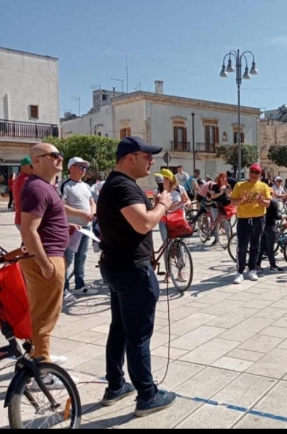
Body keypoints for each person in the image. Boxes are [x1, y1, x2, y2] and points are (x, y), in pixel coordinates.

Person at [96, 136, 177, 416]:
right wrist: (163, 204)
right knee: (138, 334)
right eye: (147, 156)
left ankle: (116, 385)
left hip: (116, 265)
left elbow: (137, 219)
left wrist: (166, 205)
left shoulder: (115, 185)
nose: (152, 161)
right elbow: (143, 223)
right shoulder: (123, 186)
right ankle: (147, 395)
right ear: (130, 158)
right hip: (132, 270)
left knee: (119, 328)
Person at [20, 143, 72, 367]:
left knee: (43, 313)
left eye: (59, 155)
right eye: (54, 155)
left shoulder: (44, 186)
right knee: (44, 317)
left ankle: (41, 354)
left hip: (50, 254)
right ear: (37, 161)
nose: (60, 159)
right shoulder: (38, 188)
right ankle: (42, 369)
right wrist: (45, 265)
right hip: (46, 258)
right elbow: (28, 229)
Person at [62, 157, 98, 299]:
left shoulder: (86, 186)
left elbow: (91, 202)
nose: (83, 170)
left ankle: (80, 285)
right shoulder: (65, 185)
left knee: (81, 257)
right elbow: (62, 206)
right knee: (68, 258)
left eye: (84, 167)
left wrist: (92, 212)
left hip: (86, 227)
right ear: (71, 168)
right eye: (80, 167)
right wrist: (81, 213)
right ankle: (64, 288)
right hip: (71, 228)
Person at [230, 163, 271, 284]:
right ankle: (240, 272)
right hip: (243, 219)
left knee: (255, 244)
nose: (254, 174)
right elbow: (233, 203)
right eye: (252, 171)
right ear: (249, 172)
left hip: (259, 218)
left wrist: (262, 201)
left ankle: (252, 269)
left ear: (260, 174)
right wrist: (242, 199)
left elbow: (267, 204)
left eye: (256, 172)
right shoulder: (239, 185)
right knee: (242, 246)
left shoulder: (263, 186)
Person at [154, 169, 190, 265]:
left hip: (178, 219)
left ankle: (180, 270)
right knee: (167, 245)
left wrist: (187, 203)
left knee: (180, 244)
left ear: (168, 179)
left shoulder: (180, 188)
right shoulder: (158, 191)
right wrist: (180, 203)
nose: (158, 180)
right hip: (164, 220)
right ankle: (168, 273)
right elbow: (163, 208)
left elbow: (187, 200)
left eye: (162, 178)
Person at [257, 187, 285, 272]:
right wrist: (285, 216)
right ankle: (272, 266)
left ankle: (257, 265)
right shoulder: (274, 203)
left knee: (262, 247)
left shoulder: (260, 203)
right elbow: (276, 217)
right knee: (270, 248)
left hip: (262, 226)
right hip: (271, 227)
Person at [207, 172, 231, 246]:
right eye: (222, 177)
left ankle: (229, 239)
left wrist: (228, 194)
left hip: (224, 207)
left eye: (225, 177)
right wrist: (220, 192)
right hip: (215, 207)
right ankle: (217, 239)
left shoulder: (227, 186)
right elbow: (212, 196)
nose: (223, 179)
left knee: (226, 223)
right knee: (216, 223)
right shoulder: (215, 186)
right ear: (219, 178)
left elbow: (229, 195)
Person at [13, 156, 33, 232]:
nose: (33, 168)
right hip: (25, 220)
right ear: (23, 168)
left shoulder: (20, 179)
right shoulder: (26, 180)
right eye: (31, 166)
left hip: (21, 219)